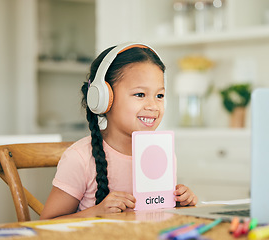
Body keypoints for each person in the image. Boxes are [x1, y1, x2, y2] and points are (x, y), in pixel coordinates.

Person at [40, 43, 198, 220]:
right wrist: (96, 212)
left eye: (159, 96)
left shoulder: (162, 154)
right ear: (103, 98)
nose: (153, 106)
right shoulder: (80, 158)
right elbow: (46, 224)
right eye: (140, 94)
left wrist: (178, 202)